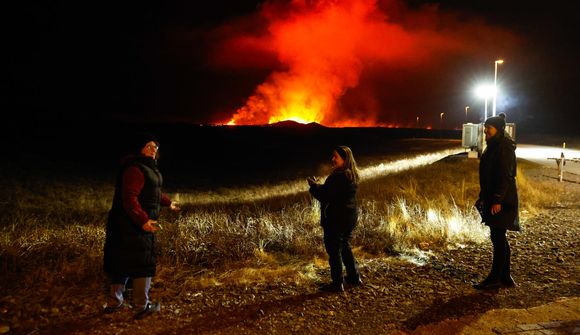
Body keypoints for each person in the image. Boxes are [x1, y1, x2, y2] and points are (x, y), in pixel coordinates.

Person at [103, 133, 180, 319]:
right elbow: (129, 198)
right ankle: (141, 306)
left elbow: (153, 194)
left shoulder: (148, 169)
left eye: (156, 147)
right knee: (142, 262)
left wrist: (169, 203)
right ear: (140, 149)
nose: (153, 149)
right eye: (148, 146)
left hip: (133, 223)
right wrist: (143, 220)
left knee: (123, 260)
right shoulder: (135, 169)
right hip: (133, 224)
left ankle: (116, 301)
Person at [474, 116, 520, 290]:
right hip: (494, 197)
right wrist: (484, 195)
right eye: (485, 127)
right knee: (499, 236)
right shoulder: (495, 145)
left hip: (502, 200)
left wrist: (497, 200)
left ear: (499, 129)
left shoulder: (504, 148)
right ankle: (506, 277)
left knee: (498, 237)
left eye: (489, 128)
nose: (485, 130)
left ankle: (495, 278)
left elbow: (505, 176)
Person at [308, 146, 362, 292]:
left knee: (334, 250)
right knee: (344, 246)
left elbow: (325, 195)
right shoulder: (352, 175)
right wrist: (321, 187)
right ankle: (354, 277)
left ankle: (337, 284)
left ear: (344, 159)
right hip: (349, 216)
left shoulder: (338, 177)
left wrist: (313, 187)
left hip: (336, 218)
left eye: (335, 157)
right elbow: (334, 193)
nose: (332, 159)